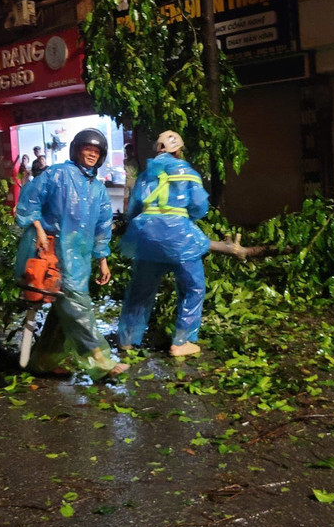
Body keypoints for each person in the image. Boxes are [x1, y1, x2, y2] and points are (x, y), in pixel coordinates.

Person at [14, 128, 127, 378]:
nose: (92, 154)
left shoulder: (98, 189)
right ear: (77, 150)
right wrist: (39, 230)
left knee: (63, 308)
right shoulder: (57, 174)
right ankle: (99, 359)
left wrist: (103, 260)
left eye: (96, 151)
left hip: (80, 259)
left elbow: (102, 227)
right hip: (54, 254)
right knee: (78, 306)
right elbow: (30, 200)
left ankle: (43, 359)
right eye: (88, 149)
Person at [118, 131, 209, 357]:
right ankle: (182, 341)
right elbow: (199, 207)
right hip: (180, 239)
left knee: (141, 290)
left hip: (147, 238)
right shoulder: (188, 172)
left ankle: (127, 339)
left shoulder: (146, 174)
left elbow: (134, 209)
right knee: (193, 287)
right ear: (178, 150)